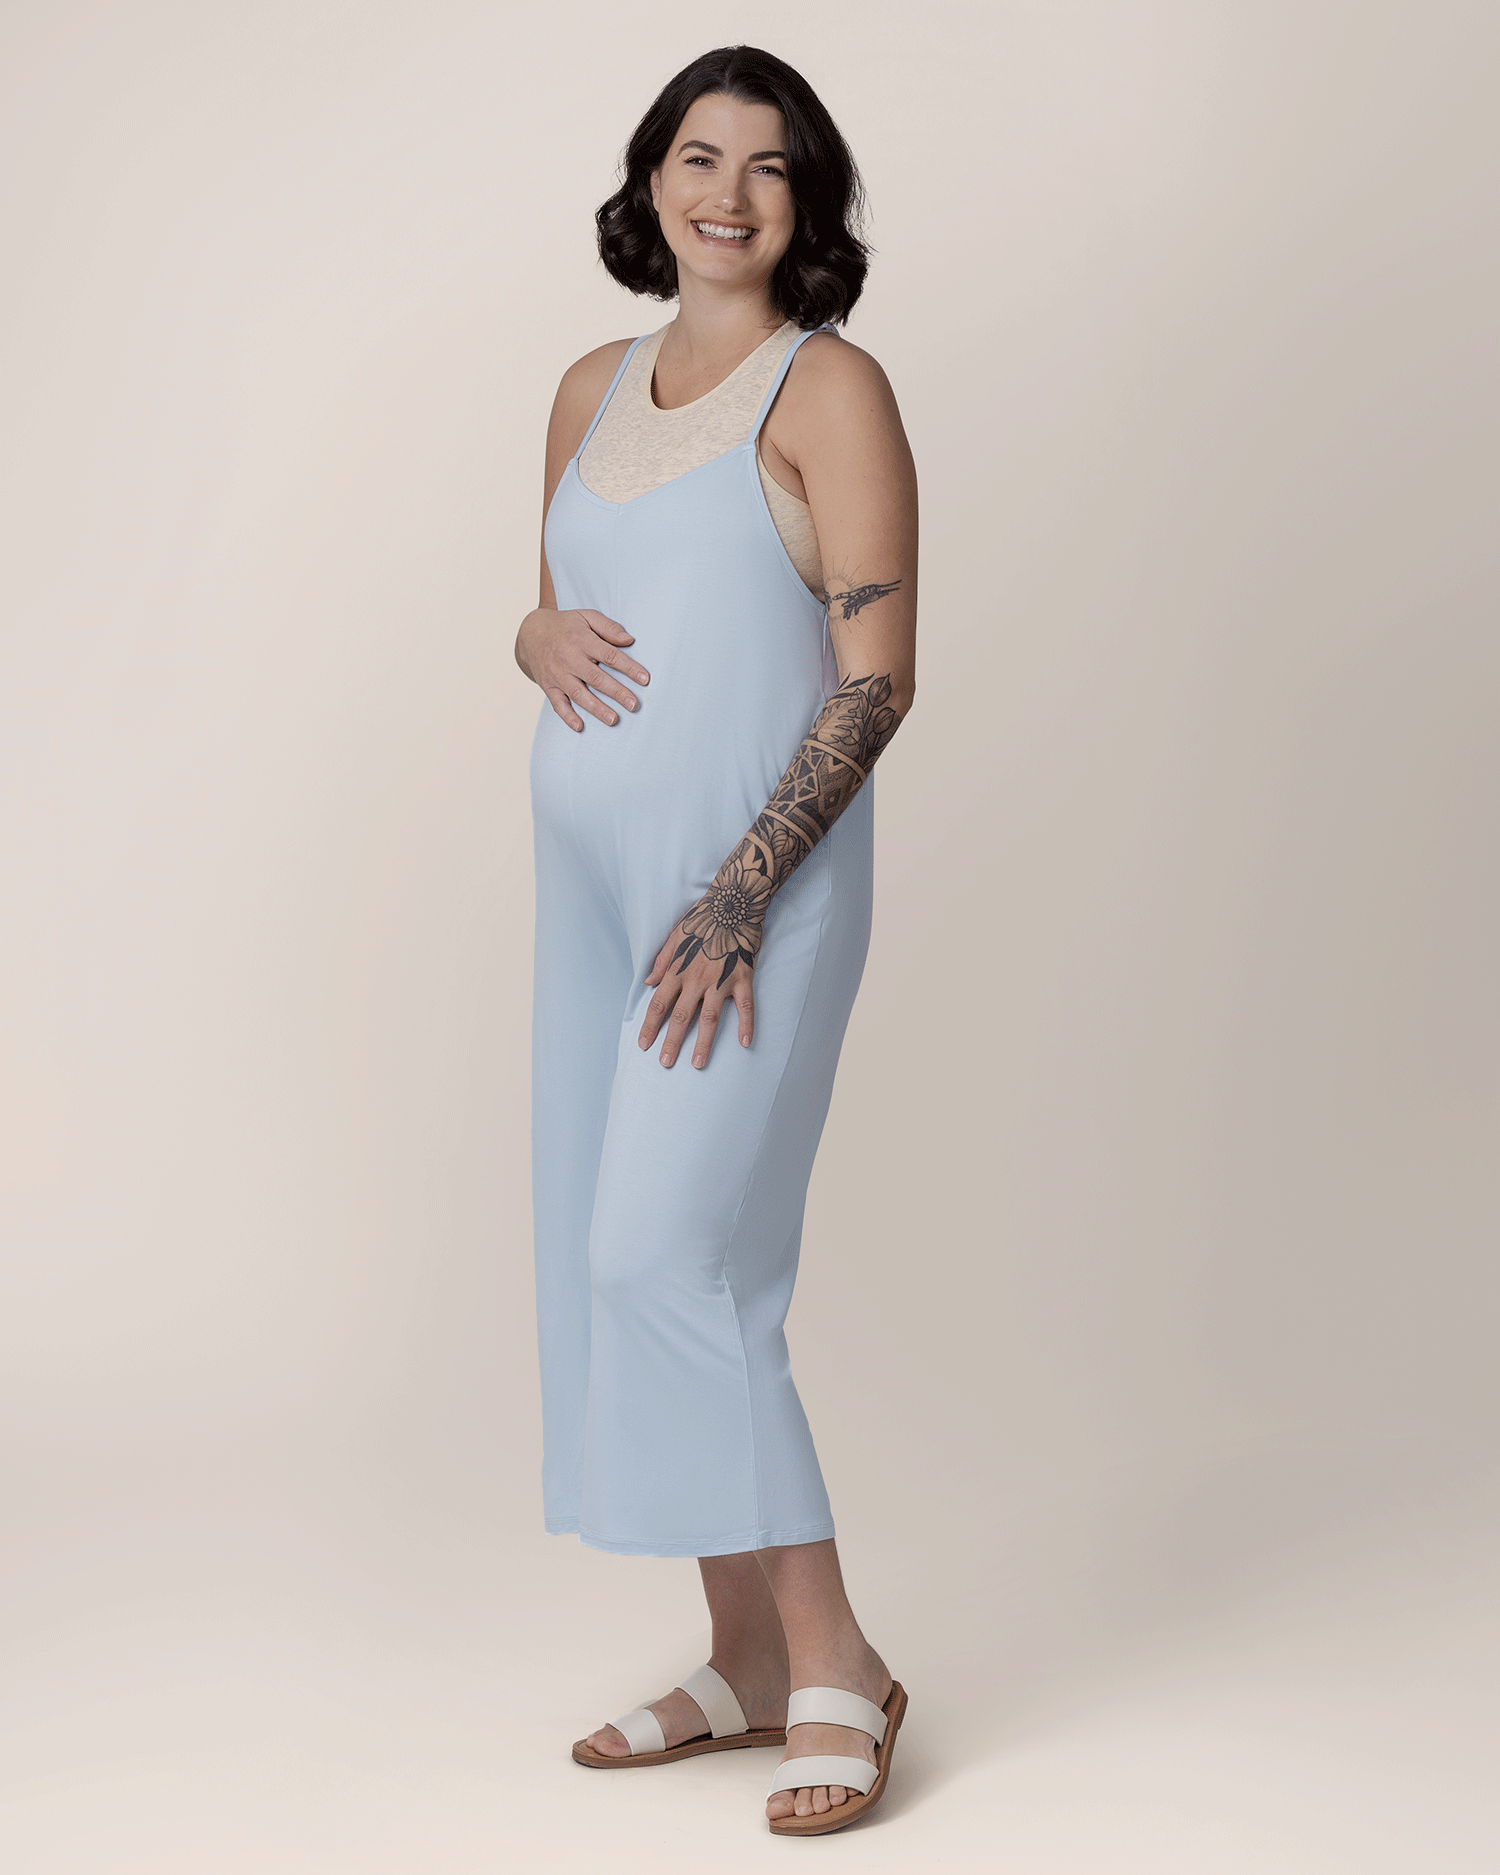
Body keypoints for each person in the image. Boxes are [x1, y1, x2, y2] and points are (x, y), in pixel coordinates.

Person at [514, 44, 918, 1837]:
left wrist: (742, 887)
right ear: (651, 181)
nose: (728, 194)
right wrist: (527, 640)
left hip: (747, 902)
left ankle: (839, 1658)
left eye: (767, 164)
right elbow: (564, 607)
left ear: (804, 199)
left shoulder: (830, 387)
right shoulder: (588, 388)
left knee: (667, 1256)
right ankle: (742, 1655)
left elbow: (877, 676)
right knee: (623, 1264)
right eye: (697, 155)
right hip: (591, 895)